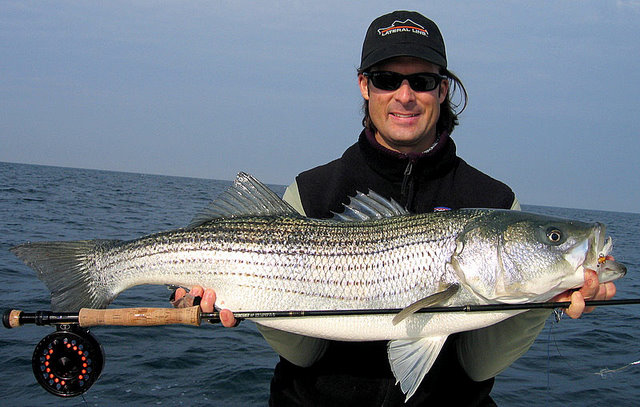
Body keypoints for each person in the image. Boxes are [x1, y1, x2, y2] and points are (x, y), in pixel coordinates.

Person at [173, 10, 616, 406]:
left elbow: (478, 367)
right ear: (364, 86)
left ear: (442, 91)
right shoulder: (310, 191)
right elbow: (303, 353)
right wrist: (245, 296)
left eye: (422, 81)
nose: (405, 95)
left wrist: (540, 303)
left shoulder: (497, 202)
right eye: (387, 79)